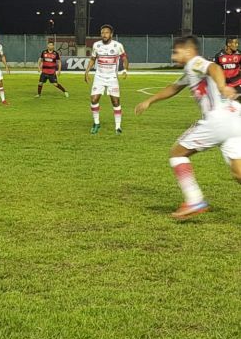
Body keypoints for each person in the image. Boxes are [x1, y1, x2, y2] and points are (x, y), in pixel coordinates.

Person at [135, 36, 241, 220]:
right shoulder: (190, 71)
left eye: (176, 52)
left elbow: (213, 67)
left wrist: (222, 87)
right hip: (234, 117)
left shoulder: (195, 62)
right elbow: (174, 87)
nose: (174, 56)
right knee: (238, 172)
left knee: (177, 154)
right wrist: (150, 100)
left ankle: (194, 200)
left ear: (188, 51)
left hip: (217, 119)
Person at [84, 25, 129, 134]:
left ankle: (118, 127)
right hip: (99, 77)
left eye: (106, 32)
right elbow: (93, 59)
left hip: (112, 78)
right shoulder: (96, 45)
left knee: (115, 102)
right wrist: (87, 71)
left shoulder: (118, 46)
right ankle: (96, 123)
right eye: (102, 32)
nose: (104, 34)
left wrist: (125, 70)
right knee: (94, 100)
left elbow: (124, 58)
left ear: (111, 34)